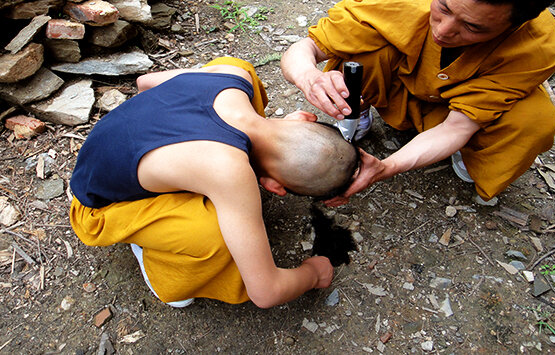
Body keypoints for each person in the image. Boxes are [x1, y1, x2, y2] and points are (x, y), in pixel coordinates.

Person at [68, 57, 359, 309]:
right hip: (95, 205)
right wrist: (314, 273)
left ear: (303, 121)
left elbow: (145, 82)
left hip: (103, 147)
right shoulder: (230, 172)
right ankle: (162, 271)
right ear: (272, 185)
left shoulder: (234, 78)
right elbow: (266, 292)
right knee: (213, 236)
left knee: (238, 66)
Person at [280, 0, 555, 206]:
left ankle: (474, 153)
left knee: (534, 120)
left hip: (461, 107)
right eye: (443, 7)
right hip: (399, 81)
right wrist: (308, 77)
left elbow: (457, 128)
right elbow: (305, 48)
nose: (443, 31)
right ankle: (357, 107)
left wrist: (388, 166)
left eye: (472, 27)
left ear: (515, 26)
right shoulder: (398, 2)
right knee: (357, 52)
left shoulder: (537, 47)